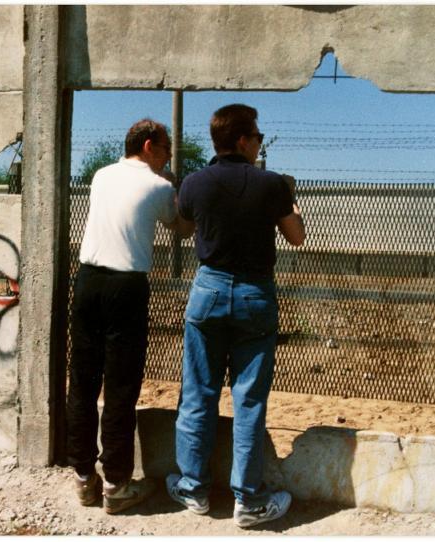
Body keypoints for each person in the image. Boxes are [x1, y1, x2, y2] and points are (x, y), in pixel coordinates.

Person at [166, 104, 305, 528]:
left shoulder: (194, 182)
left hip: (207, 290)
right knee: (248, 400)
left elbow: (184, 228)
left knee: (198, 392)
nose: (260, 142)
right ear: (243, 140)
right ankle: (249, 500)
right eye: (258, 136)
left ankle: (193, 489)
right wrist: (289, 199)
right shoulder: (271, 185)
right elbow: (296, 237)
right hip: (253, 293)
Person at [66, 118, 194, 514]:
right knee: (121, 386)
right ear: (150, 145)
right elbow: (182, 229)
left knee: (83, 382)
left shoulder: (102, 175)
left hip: (86, 281)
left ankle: (85, 478)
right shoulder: (159, 186)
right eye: (167, 147)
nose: (170, 155)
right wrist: (181, 191)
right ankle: (118, 485)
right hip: (126, 288)